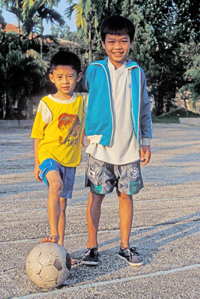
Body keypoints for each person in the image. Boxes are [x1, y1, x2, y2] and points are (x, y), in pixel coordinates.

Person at [82, 15, 152, 267]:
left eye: (123, 41)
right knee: (96, 196)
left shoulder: (136, 72)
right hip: (100, 148)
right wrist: (82, 129)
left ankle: (125, 245)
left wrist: (146, 140)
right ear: (103, 44)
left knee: (126, 196)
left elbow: (144, 107)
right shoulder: (94, 70)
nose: (117, 46)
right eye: (111, 41)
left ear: (131, 43)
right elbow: (80, 100)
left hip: (129, 148)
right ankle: (92, 247)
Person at [31, 51, 86, 248]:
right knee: (55, 185)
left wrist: (86, 139)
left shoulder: (80, 101)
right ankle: (53, 233)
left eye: (70, 76)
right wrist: (37, 163)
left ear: (78, 77)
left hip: (69, 160)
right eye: (60, 77)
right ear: (52, 77)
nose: (65, 81)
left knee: (62, 204)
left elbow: (82, 125)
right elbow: (38, 135)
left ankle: (60, 247)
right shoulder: (47, 103)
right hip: (49, 156)